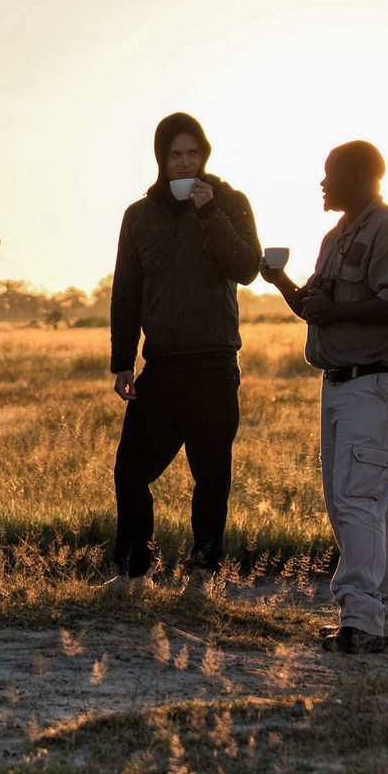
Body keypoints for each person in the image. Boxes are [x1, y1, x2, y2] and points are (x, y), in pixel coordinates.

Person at [260, 141, 388, 654]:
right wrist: (278, 280)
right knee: (361, 503)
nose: (323, 183)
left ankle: (361, 620)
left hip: (376, 382)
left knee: (357, 502)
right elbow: (316, 308)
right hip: (343, 383)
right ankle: (383, 619)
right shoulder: (337, 236)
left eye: (331, 174)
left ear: (360, 176)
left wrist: (335, 314)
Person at [108, 112, 261, 593]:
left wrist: (209, 213)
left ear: (204, 156)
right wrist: (122, 361)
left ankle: (203, 574)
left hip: (215, 364)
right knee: (130, 471)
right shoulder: (139, 215)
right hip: (162, 367)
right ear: (161, 158)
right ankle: (135, 573)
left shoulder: (230, 203)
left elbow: (247, 267)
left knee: (211, 475)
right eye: (175, 154)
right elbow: (126, 292)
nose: (183, 163)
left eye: (192, 153)